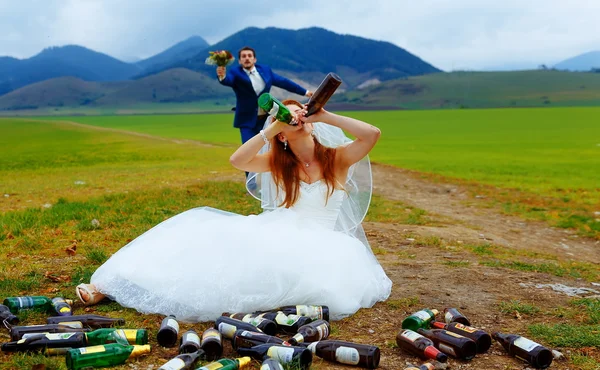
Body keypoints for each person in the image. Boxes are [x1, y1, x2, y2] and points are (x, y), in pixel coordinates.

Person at [75, 102, 392, 322]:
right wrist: (269, 131)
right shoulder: (278, 163)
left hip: (322, 245)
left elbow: (373, 134)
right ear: (282, 133)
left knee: (265, 282)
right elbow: (238, 161)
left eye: (301, 113)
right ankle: (111, 284)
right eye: (289, 116)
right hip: (279, 229)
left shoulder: (336, 159)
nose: (298, 118)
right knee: (207, 243)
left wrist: (325, 115)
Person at [217, 46, 313, 189]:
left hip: (267, 119)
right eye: (243, 56)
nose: (247, 58)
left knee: (274, 150)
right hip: (247, 120)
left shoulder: (265, 70)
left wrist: (305, 92)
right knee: (249, 149)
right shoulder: (235, 73)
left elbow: (283, 82)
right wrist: (222, 76)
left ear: (254, 59)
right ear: (239, 60)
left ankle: (277, 182)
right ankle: (253, 186)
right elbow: (228, 80)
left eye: (249, 55)